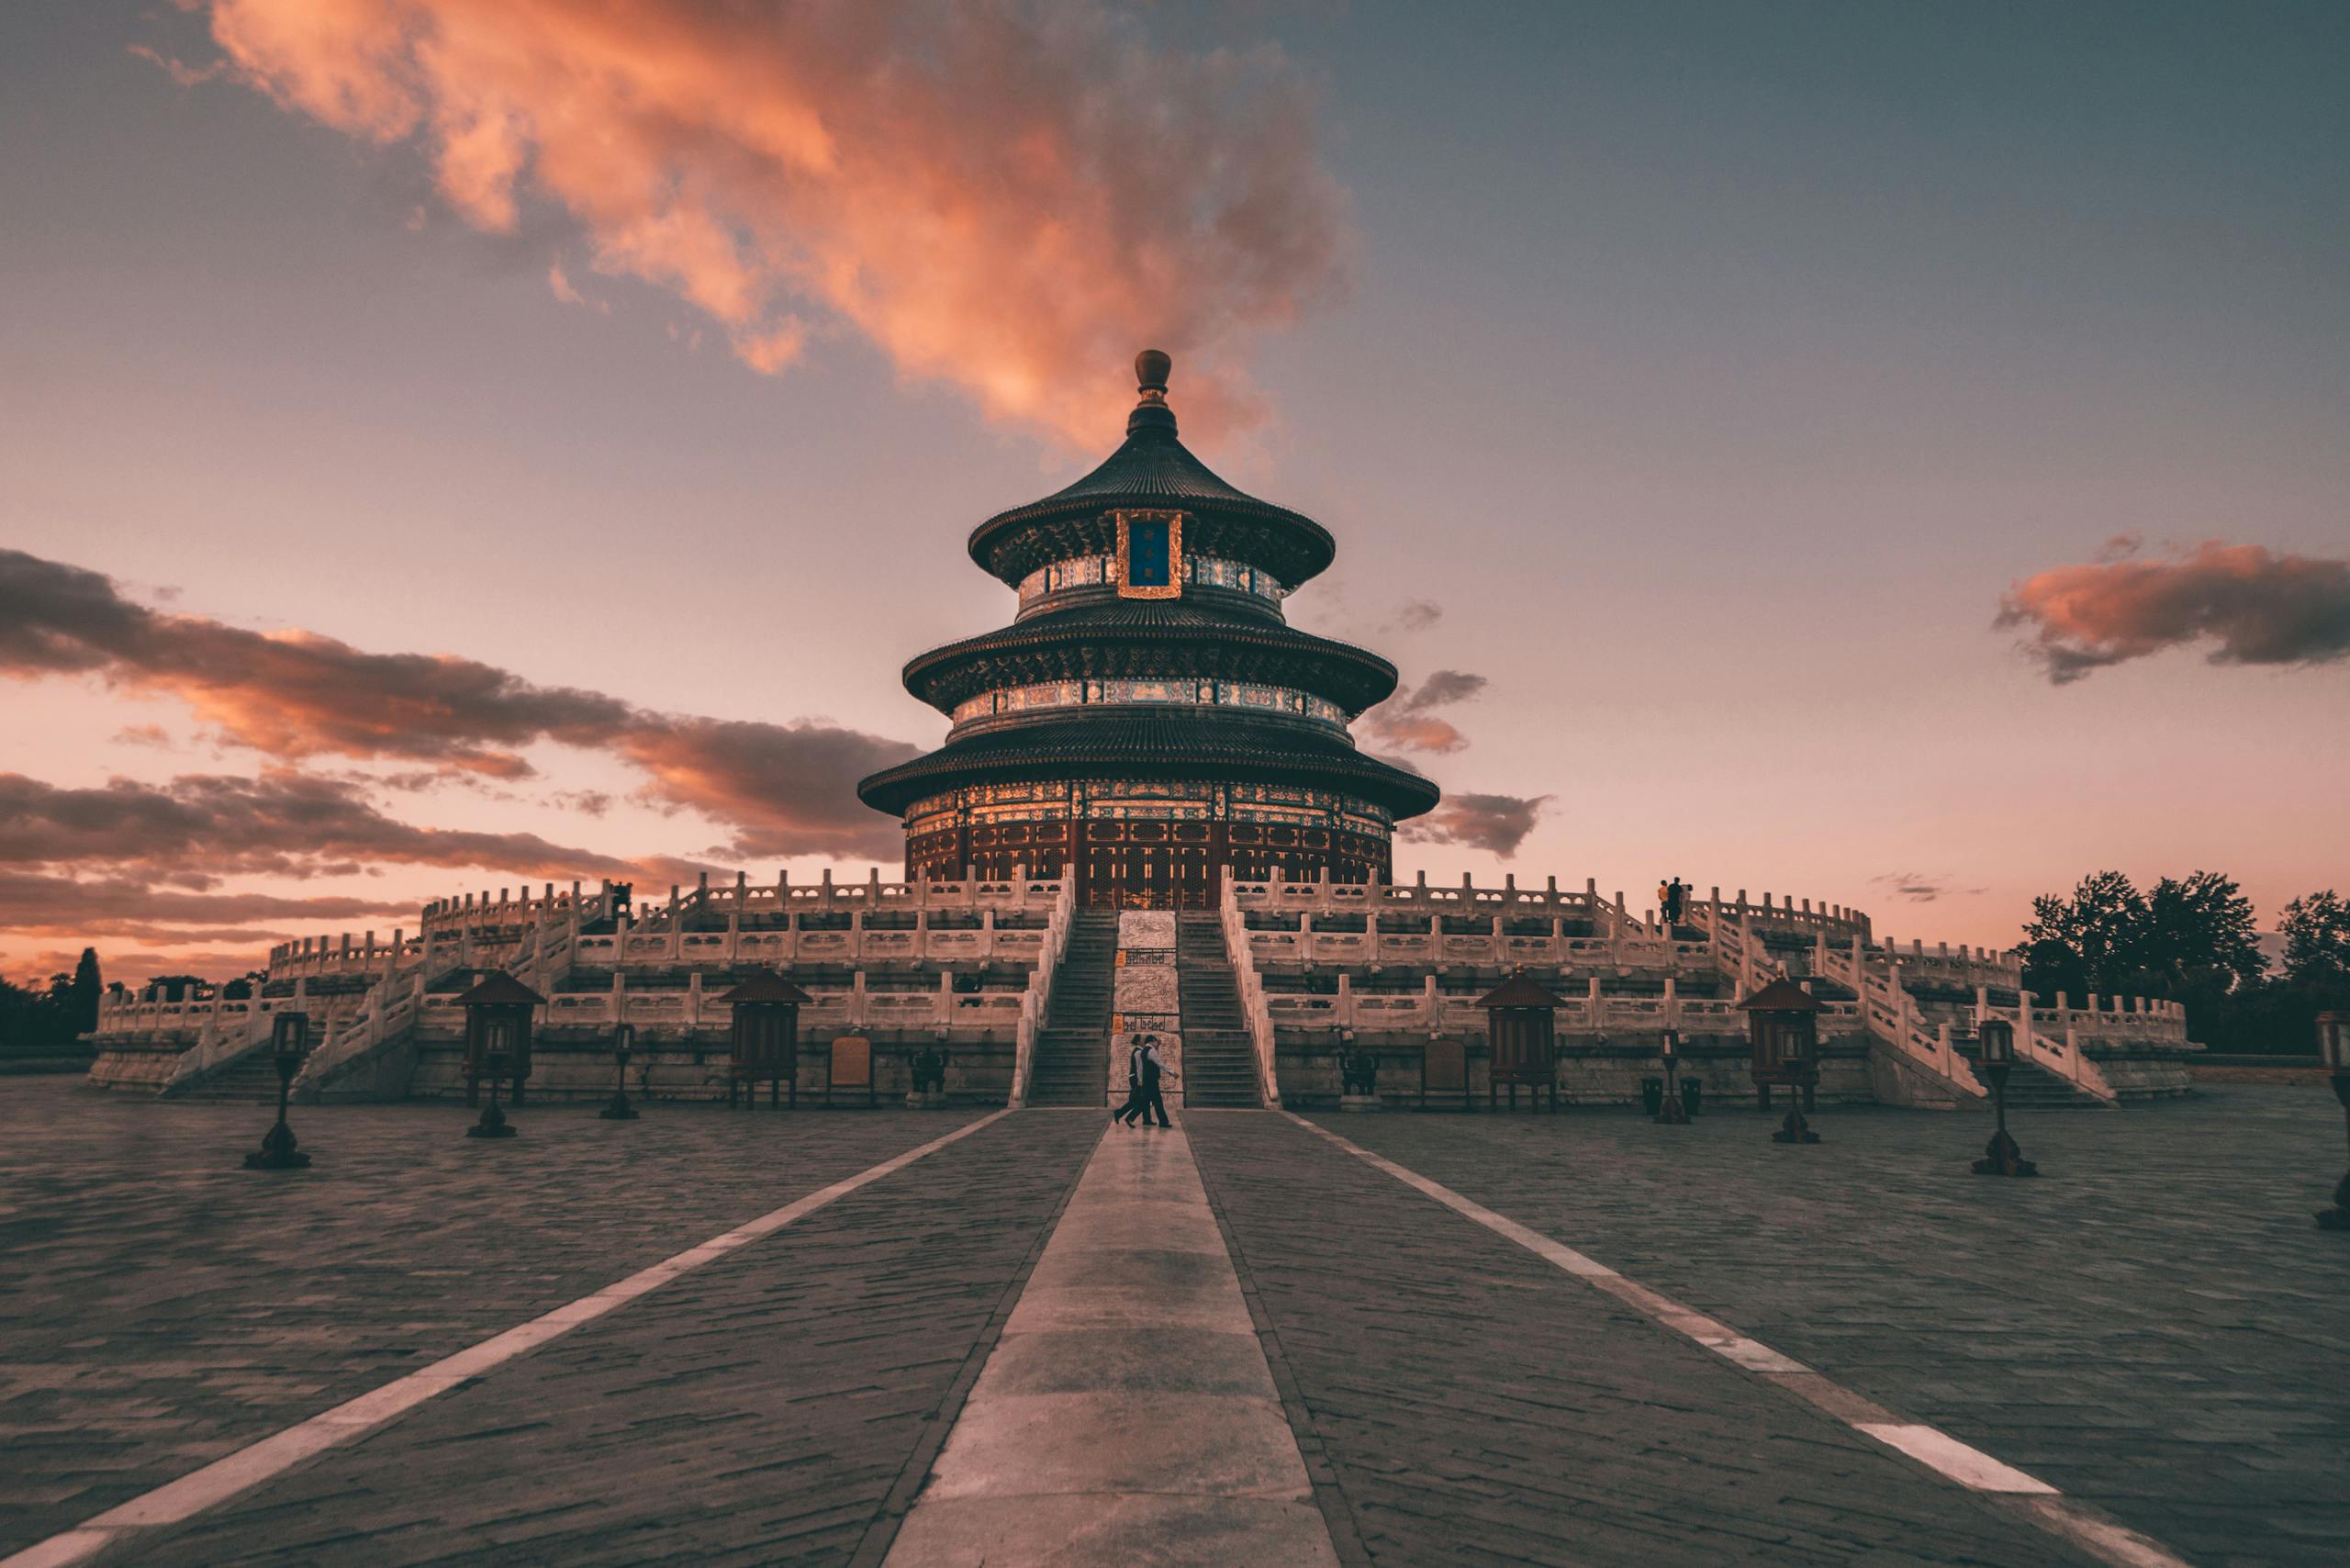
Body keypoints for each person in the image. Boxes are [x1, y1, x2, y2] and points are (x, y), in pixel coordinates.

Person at [1114, 1035, 1171, 1128]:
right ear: (1138, 1042)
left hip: (1140, 1078)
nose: (1144, 1041)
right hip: (1136, 1078)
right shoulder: (1138, 1052)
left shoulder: (1142, 1051)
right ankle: (1121, 1114)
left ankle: (1145, 1119)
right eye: (1142, 1040)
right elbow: (1139, 1067)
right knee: (1137, 1100)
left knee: (1144, 1100)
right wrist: (1140, 1081)